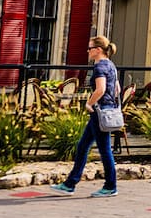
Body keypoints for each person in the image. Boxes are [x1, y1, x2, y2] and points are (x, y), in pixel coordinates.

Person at [49, 35, 120, 197]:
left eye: (90, 48)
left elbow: (100, 89)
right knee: (83, 146)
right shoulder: (111, 66)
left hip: (99, 110)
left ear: (98, 50)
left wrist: (89, 103)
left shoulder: (100, 67)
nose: (87, 51)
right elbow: (117, 89)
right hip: (106, 109)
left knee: (105, 149)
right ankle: (70, 183)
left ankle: (110, 186)